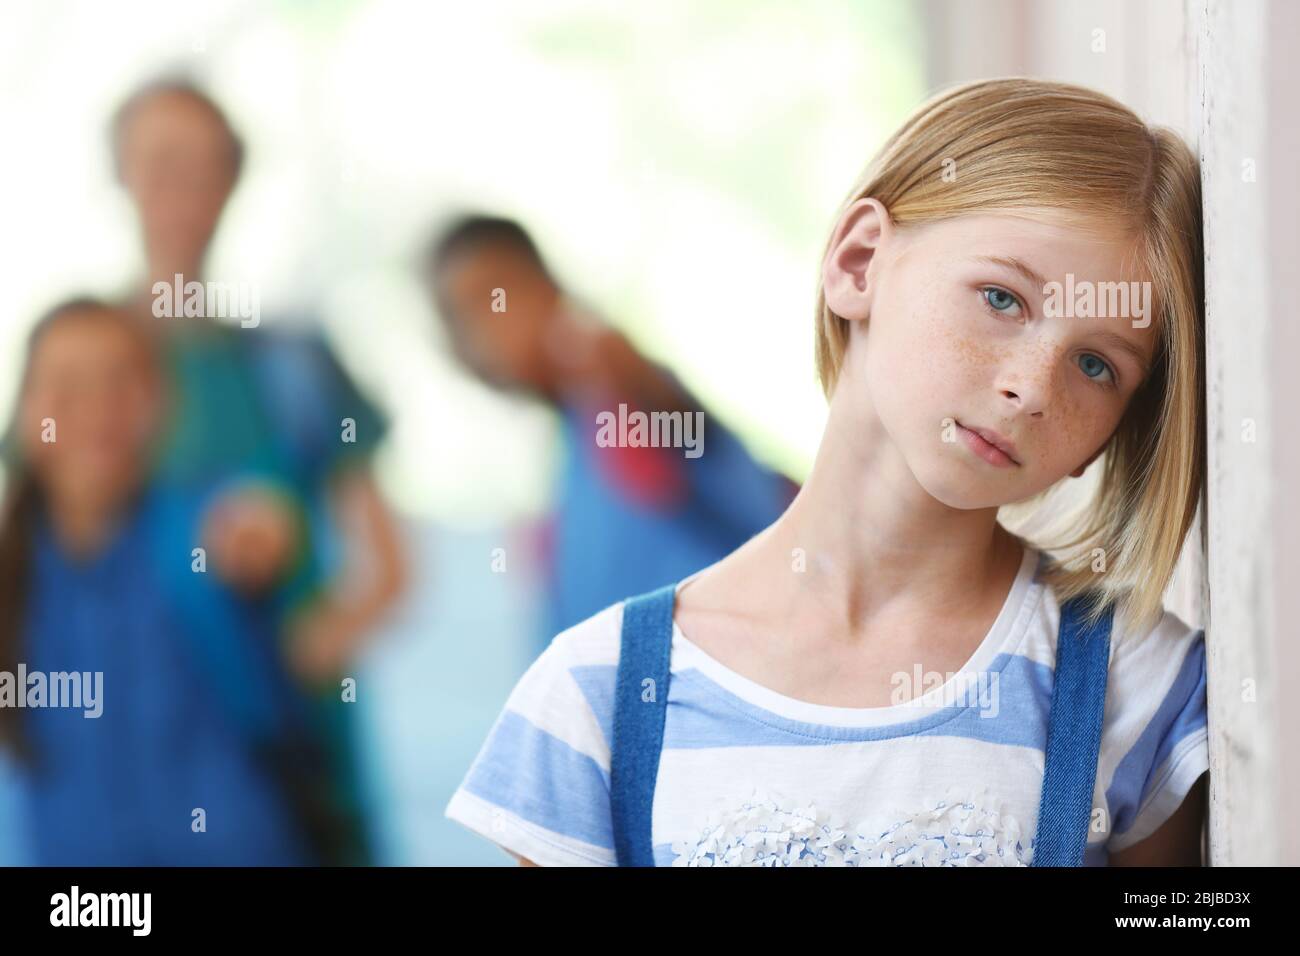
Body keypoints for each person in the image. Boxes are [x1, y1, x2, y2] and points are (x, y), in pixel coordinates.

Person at [443, 78, 1210, 866]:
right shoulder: (591, 695)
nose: (1031, 386)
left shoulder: (1139, 682)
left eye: (1095, 364)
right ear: (858, 262)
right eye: (1001, 298)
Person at [110, 77, 408, 863]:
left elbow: (390, 570)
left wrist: (314, 640)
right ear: (120, 172)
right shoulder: (77, 370)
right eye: (162, 162)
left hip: (288, 779)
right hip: (126, 782)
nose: (185, 190)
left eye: (207, 167)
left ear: (233, 184)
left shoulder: (294, 367)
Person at [0, 299, 329, 865]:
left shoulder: (199, 529)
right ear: (26, 410)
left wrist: (266, 529)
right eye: (67, 384)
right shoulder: (15, 567)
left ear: (162, 401)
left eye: (119, 381)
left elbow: (260, 522)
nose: (96, 407)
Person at [423, 215, 799, 653]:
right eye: (453, 318)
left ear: (544, 285)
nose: (474, 337)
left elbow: (756, 510)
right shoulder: (567, 458)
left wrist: (630, 384)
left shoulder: (620, 391)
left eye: (486, 299)